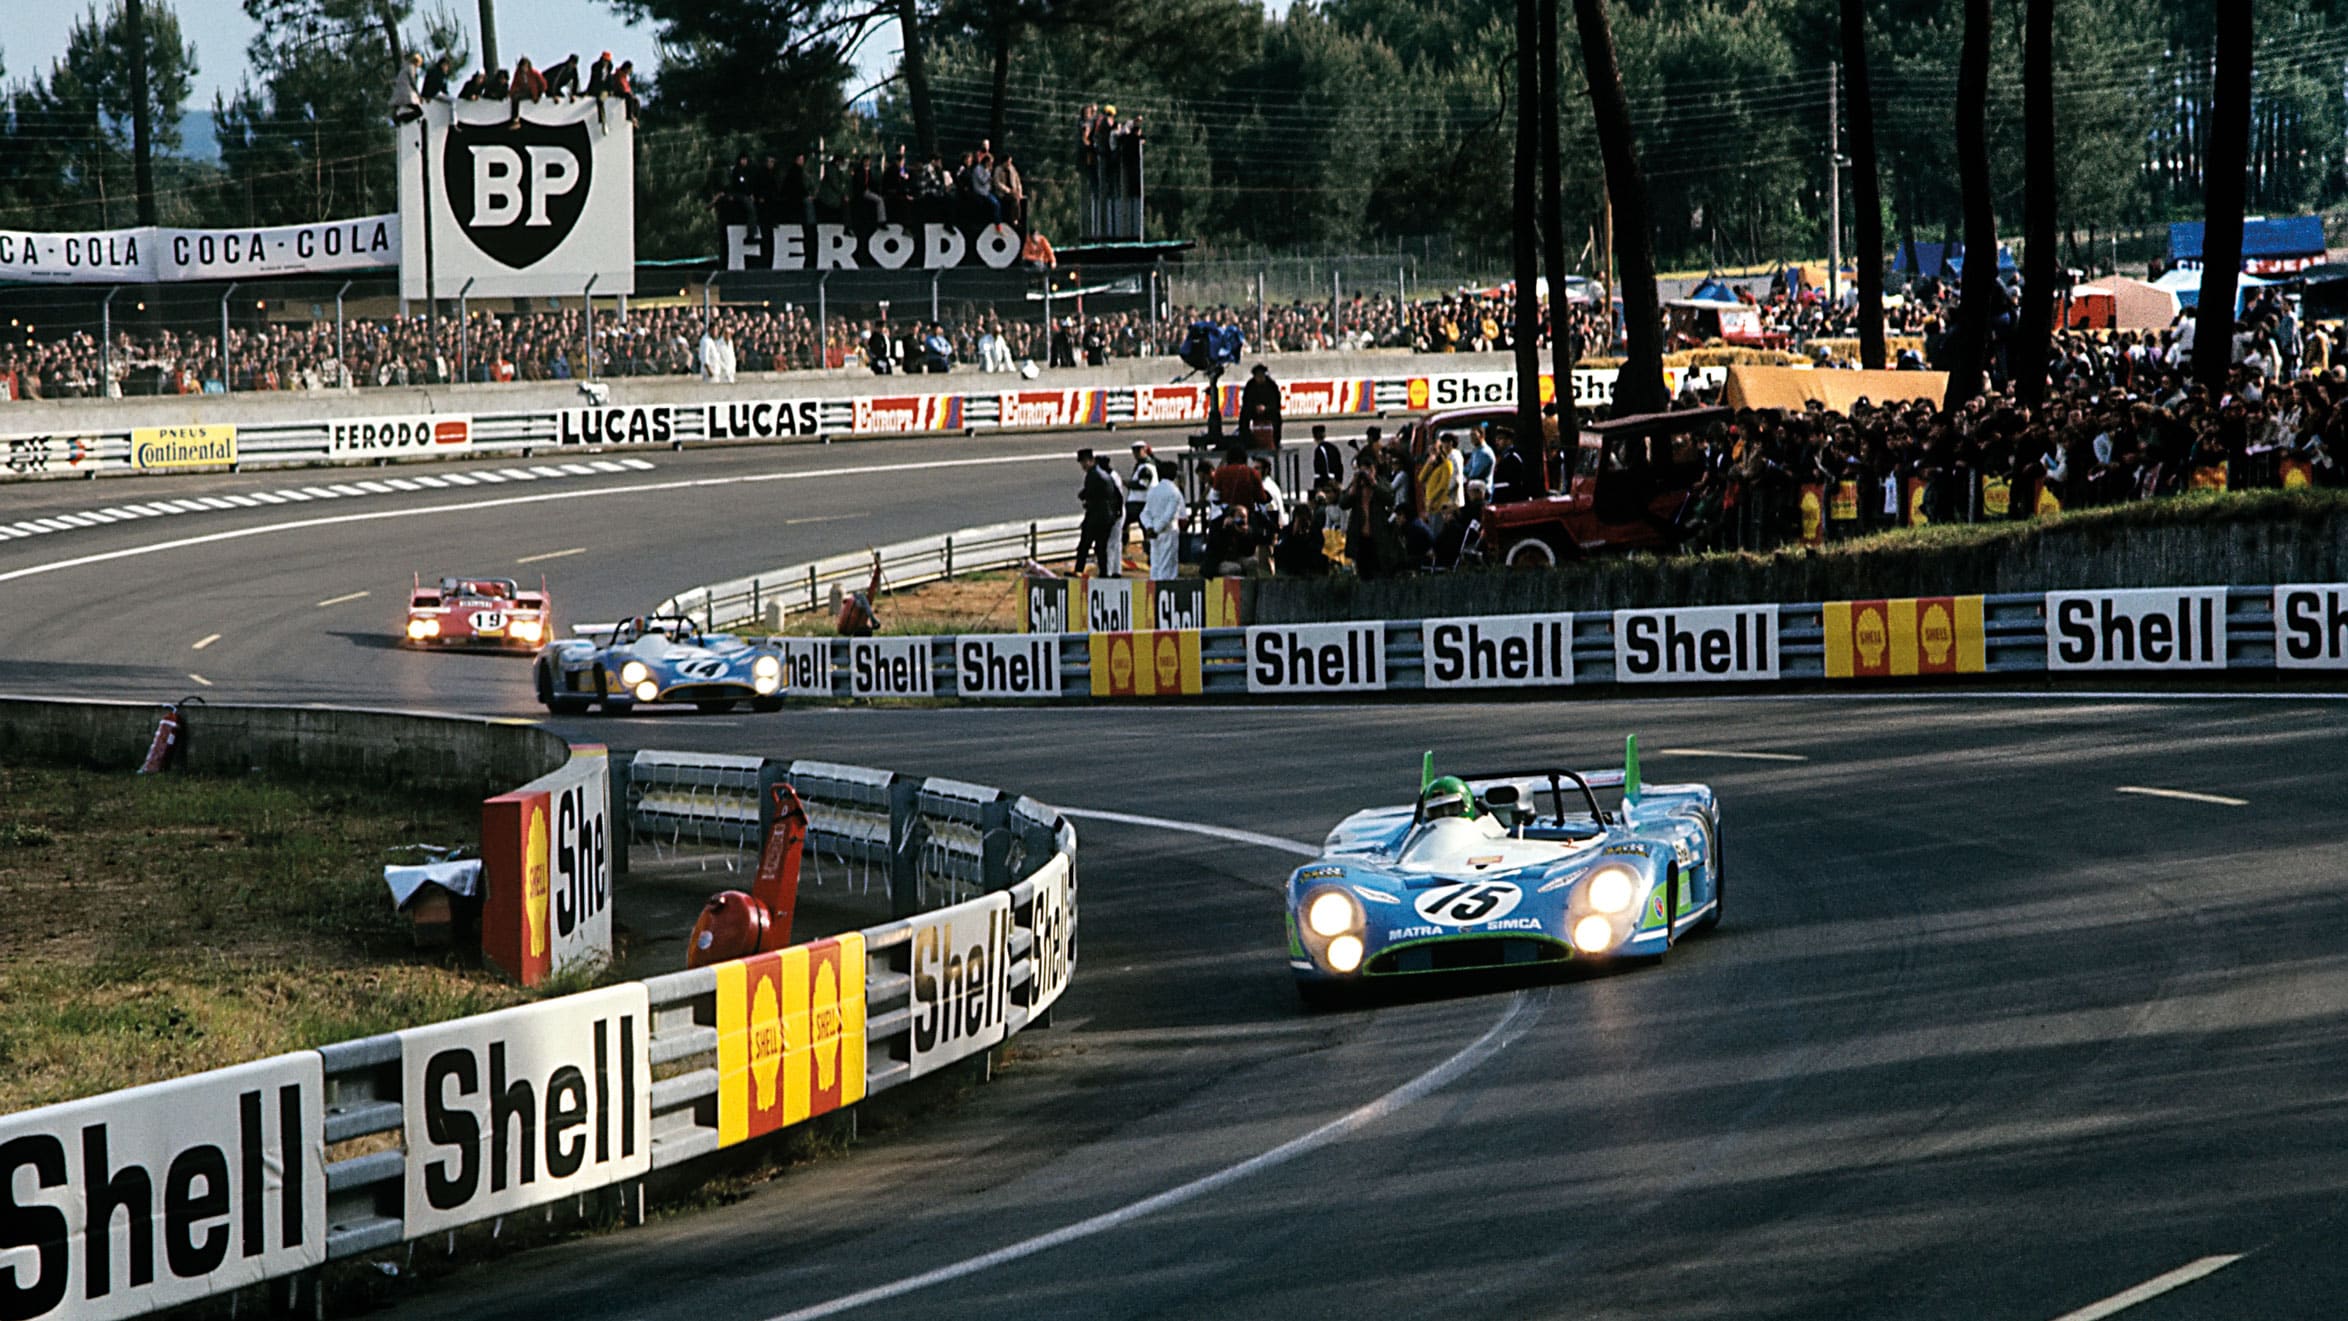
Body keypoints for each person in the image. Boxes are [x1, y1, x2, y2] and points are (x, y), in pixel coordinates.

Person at [1073, 448, 1126, 576]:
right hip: (1106, 517)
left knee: (1086, 545)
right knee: (1101, 547)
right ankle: (1104, 572)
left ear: (1091, 461)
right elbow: (1117, 496)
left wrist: (1085, 498)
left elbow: (1093, 498)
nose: (1083, 466)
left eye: (1084, 462)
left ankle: (1080, 570)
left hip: (1098, 517)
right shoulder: (1105, 475)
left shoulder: (1094, 475)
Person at [1138, 458, 1186, 580]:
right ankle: (1166, 589)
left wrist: (1149, 527)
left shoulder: (1153, 491)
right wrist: (1157, 529)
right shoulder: (1174, 492)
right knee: (1168, 563)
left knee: (1156, 563)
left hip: (1154, 531)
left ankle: (1154, 586)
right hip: (1168, 531)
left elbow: (1144, 513)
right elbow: (1168, 516)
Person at [1238, 362, 1282, 450]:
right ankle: (1246, 441)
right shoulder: (1250, 385)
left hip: (1268, 410)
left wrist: (1266, 408)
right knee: (1243, 416)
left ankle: (1276, 441)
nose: (1260, 378)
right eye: (1258, 376)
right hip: (1254, 410)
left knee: (1277, 417)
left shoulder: (1271, 385)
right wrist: (1254, 407)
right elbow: (1246, 401)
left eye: (1261, 375)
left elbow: (1276, 402)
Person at [1125, 440, 1157, 552]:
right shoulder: (1142, 465)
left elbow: (1143, 484)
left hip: (1140, 502)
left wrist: (1128, 484)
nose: (1136, 454)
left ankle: (1148, 551)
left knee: (1124, 522)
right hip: (1140, 502)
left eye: (1138, 451)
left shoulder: (1146, 467)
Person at [391, 51, 425, 124]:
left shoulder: (404, 67)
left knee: (397, 108)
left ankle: (398, 118)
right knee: (419, 112)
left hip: (399, 94)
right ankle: (402, 118)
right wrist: (419, 95)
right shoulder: (411, 67)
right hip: (406, 95)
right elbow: (413, 82)